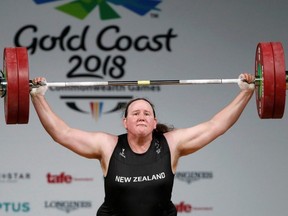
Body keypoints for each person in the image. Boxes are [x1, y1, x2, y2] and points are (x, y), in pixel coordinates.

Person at [30, 73, 255, 216]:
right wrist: (37, 96)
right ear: (125, 122)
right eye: (135, 113)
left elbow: (216, 125)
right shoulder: (107, 146)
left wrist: (246, 93)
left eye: (147, 113)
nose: (141, 116)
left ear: (154, 122)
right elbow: (62, 133)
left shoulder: (172, 144)